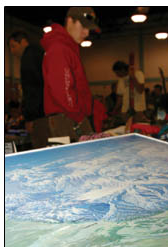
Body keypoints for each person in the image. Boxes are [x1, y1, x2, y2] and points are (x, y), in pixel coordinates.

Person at [40, 7, 107, 137]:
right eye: (83, 27)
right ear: (70, 21)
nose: (86, 33)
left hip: (72, 118)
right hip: (68, 120)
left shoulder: (69, 49)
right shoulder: (59, 49)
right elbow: (62, 91)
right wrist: (79, 117)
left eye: (89, 29)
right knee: (76, 157)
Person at [8, 31, 45, 147]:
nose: (12, 51)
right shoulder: (39, 53)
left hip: (38, 117)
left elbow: (32, 89)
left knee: (40, 147)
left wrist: (30, 118)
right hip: (46, 111)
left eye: (14, 46)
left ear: (23, 42)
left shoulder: (28, 58)